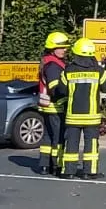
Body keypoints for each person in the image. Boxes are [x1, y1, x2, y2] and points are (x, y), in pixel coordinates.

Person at [56, 38, 106, 178]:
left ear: (76, 53)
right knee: (91, 145)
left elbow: (61, 90)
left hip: (72, 116)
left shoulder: (68, 70)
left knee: (71, 144)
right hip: (91, 116)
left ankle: (68, 171)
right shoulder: (99, 71)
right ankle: (89, 171)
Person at [36, 31, 71, 174]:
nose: (64, 50)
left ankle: (45, 165)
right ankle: (56, 165)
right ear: (52, 48)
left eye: (65, 47)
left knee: (48, 136)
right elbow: (55, 88)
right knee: (58, 137)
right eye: (61, 47)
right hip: (56, 106)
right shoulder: (53, 65)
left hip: (47, 105)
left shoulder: (48, 61)